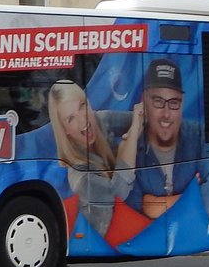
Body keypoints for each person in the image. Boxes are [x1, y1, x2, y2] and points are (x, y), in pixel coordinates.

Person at [125, 58, 209, 220]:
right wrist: (193, 193)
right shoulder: (132, 147)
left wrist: (156, 202)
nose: (166, 114)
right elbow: (134, 206)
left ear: (182, 104)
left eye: (173, 103)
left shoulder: (200, 136)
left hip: (195, 235)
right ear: (144, 102)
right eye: (158, 101)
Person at [48, 80, 141, 237]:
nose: (83, 120)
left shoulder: (100, 121)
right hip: (102, 238)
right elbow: (119, 192)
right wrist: (129, 140)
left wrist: (139, 118)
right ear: (64, 131)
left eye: (82, 106)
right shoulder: (79, 176)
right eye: (70, 118)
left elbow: (142, 117)